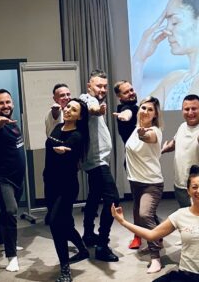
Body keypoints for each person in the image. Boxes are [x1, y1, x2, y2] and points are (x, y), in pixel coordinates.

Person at [44, 99, 90, 282]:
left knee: (55, 223)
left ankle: (65, 270)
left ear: (80, 116)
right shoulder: (57, 128)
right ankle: (83, 249)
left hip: (66, 186)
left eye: (74, 109)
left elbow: (67, 156)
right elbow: (51, 151)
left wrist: (64, 151)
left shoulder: (78, 135)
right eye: (68, 106)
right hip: (50, 184)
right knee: (65, 224)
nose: (69, 110)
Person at [78, 69, 120, 262]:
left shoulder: (94, 99)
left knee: (94, 196)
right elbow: (91, 107)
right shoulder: (86, 99)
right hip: (97, 162)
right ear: (89, 86)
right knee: (113, 199)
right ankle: (102, 245)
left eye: (104, 86)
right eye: (98, 86)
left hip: (98, 160)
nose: (102, 89)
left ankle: (88, 234)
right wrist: (97, 110)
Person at [0, 89, 26, 272]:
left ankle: (0, 242)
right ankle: (11, 257)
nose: (5, 106)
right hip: (1, 179)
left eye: (8, 102)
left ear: (13, 103)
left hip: (17, 178)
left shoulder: (14, 125)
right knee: (10, 211)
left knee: (5, 210)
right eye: (1, 103)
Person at [125, 97, 165, 273]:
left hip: (151, 183)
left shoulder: (154, 131)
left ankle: (156, 258)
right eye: (143, 108)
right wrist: (138, 131)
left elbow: (148, 137)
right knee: (145, 217)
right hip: (135, 182)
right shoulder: (135, 129)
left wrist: (142, 134)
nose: (145, 112)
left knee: (145, 215)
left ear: (155, 115)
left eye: (150, 109)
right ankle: (158, 238)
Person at [112, 80, 142, 249]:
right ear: (119, 96)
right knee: (139, 201)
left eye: (131, 89)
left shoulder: (139, 107)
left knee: (148, 202)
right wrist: (125, 116)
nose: (131, 93)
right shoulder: (126, 109)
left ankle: (151, 230)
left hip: (148, 160)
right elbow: (127, 113)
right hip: (133, 161)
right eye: (126, 92)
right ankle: (138, 235)